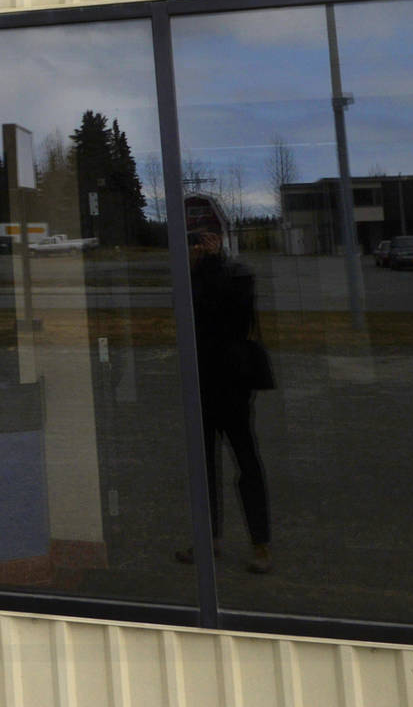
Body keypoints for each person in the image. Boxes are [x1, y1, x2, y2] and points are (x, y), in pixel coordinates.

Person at [178, 216, 275, 574]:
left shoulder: (238, 275)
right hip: (201, 382)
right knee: (203, 468)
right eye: (196, 240)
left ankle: (260, 543)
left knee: (246, 462)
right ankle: (210, 539)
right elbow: (189, 316)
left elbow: (231, 315)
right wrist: (193, 268)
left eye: (205, 239)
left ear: (219, 239)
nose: (199, 246)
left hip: (232, 384)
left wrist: (210, 264)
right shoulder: (191, 277)